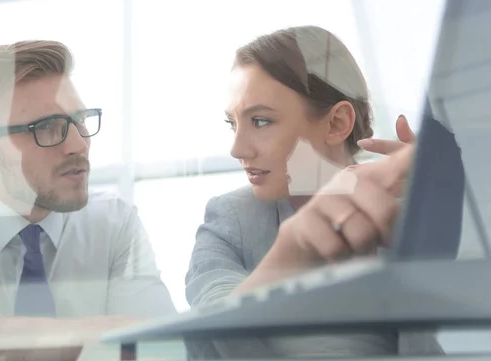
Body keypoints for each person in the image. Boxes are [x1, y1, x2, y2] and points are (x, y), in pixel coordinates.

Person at [0, 40, 176, 361]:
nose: (78, 145)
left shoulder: (113, 224)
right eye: (47, 127)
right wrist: (26, 337)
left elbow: (160, 347)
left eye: (79, 120)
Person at [185, 25, 440, 359]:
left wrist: (455, 214)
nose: (237, 149)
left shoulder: (409, 210)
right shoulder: (229, 219)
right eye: (233, 124)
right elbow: (211, 329)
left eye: (260, 121)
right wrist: (292, 250)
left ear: (336, 124)